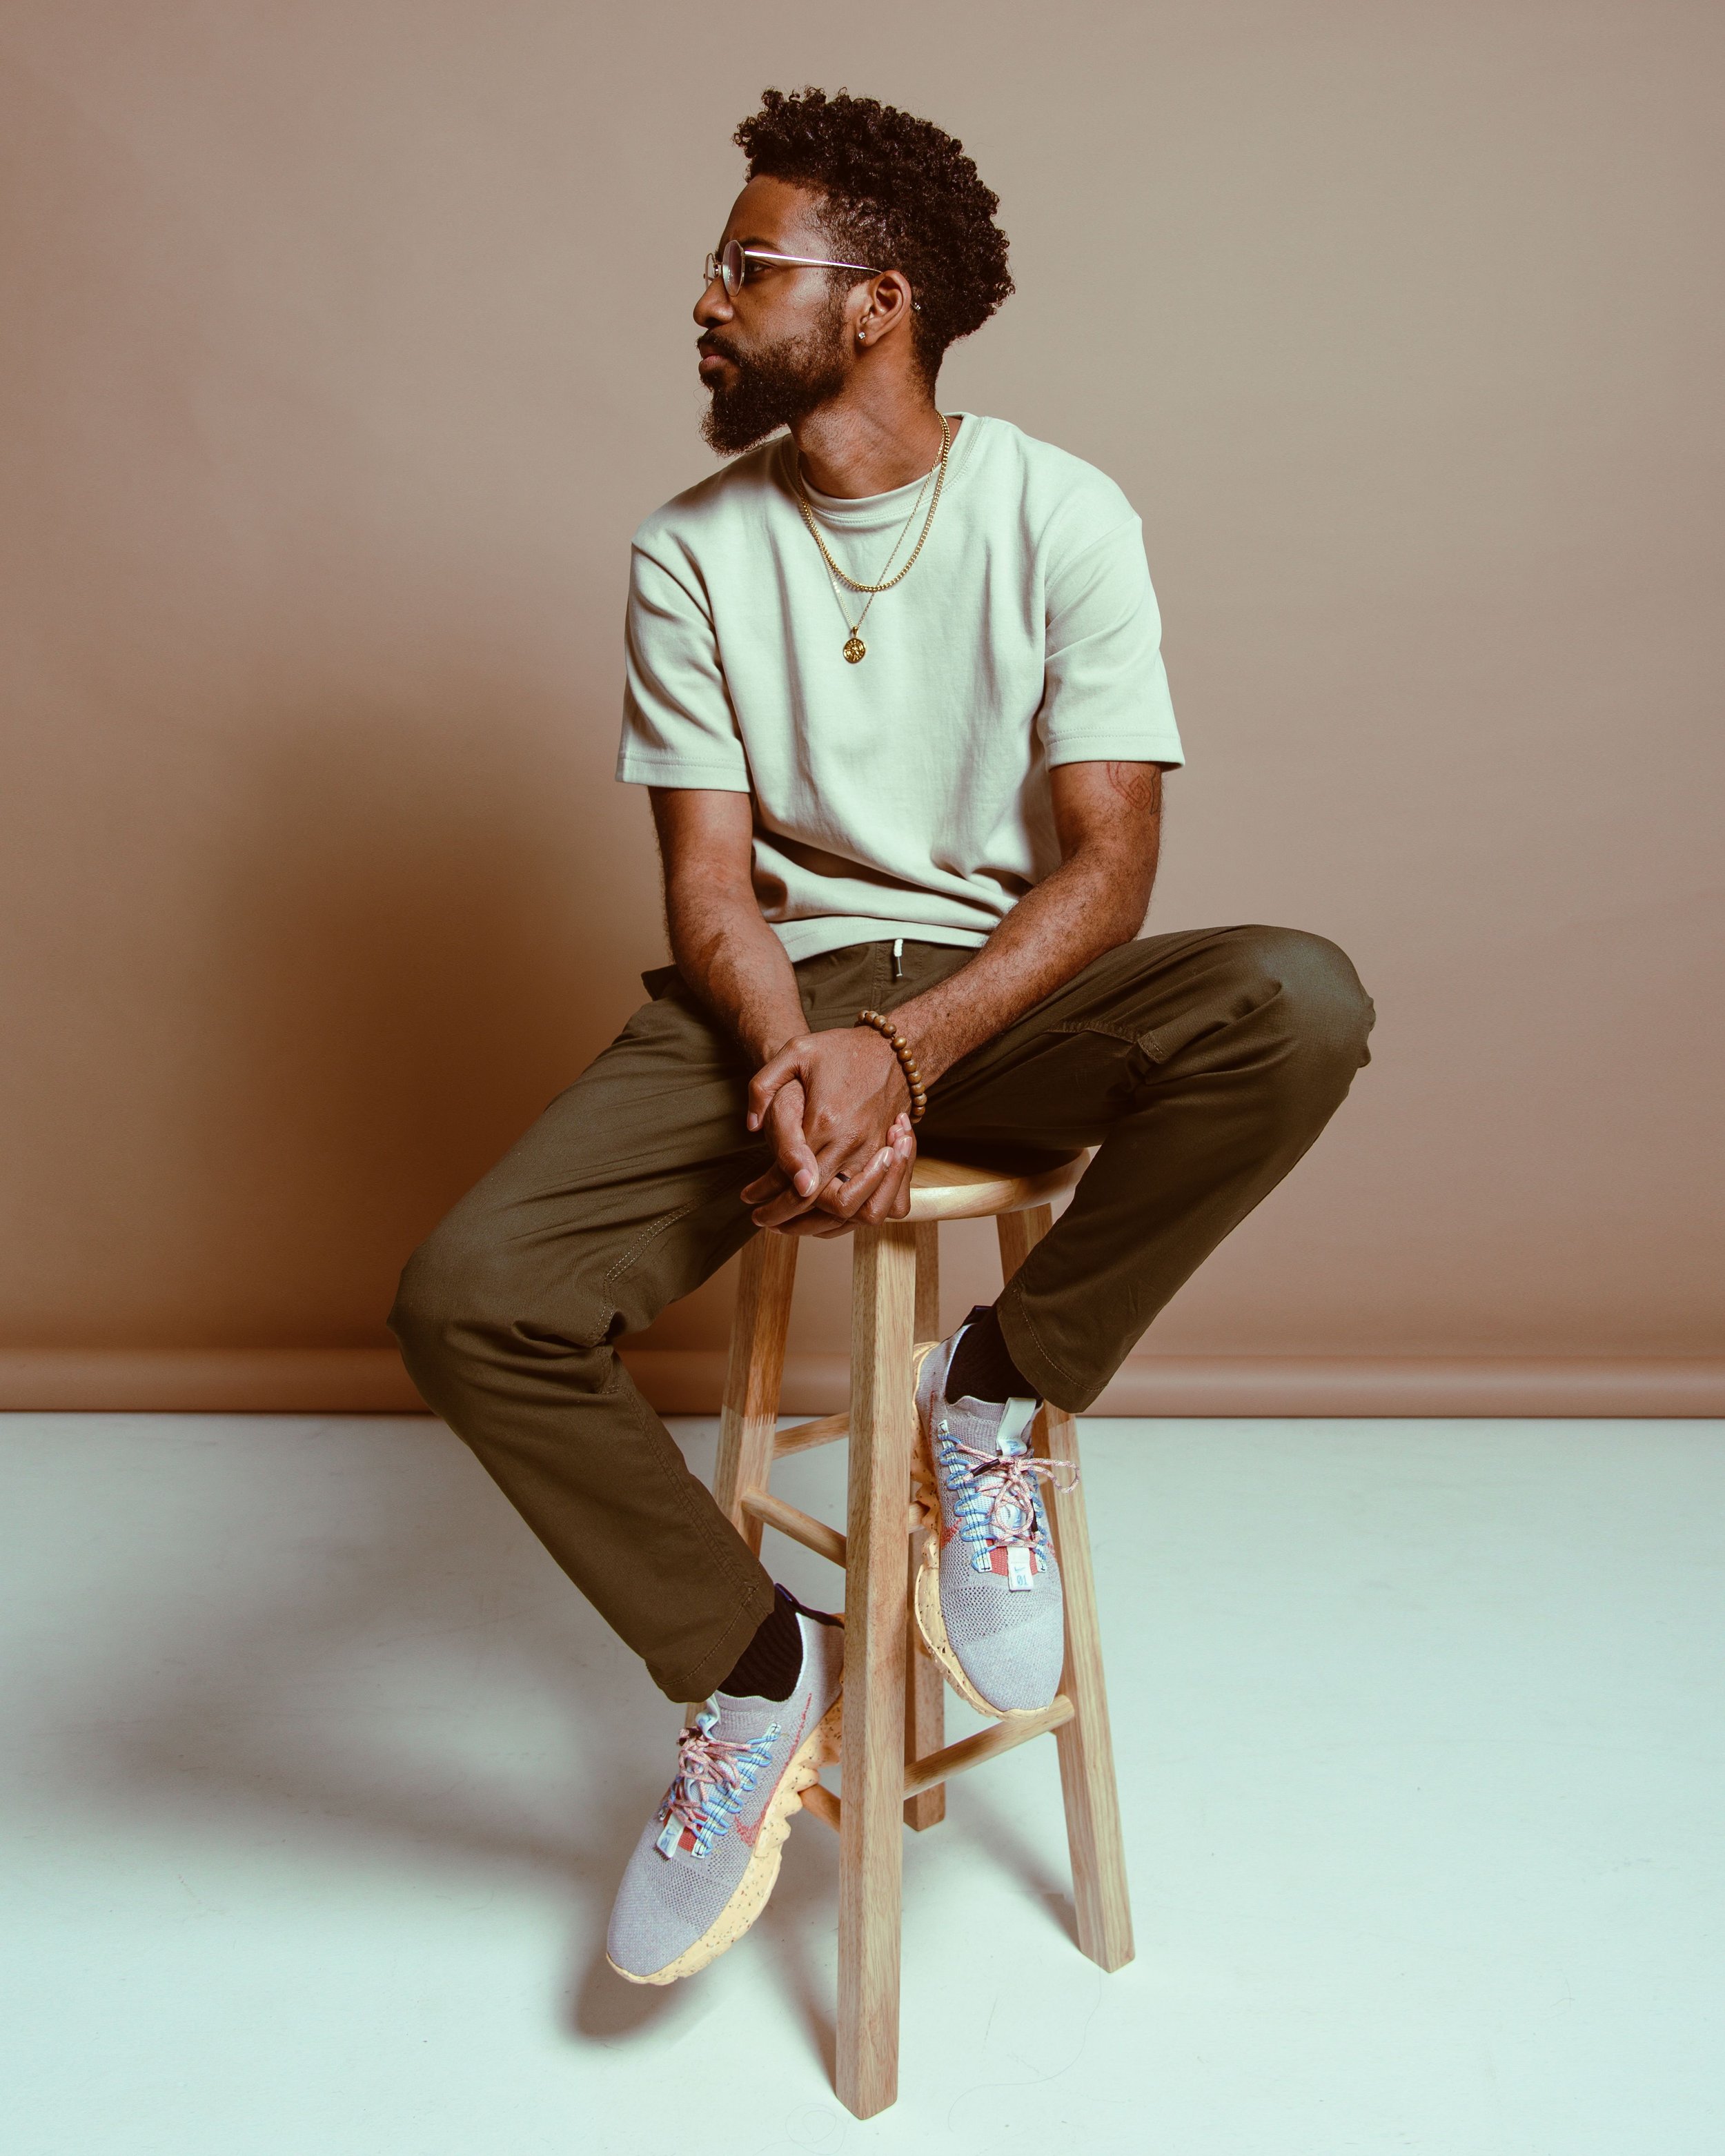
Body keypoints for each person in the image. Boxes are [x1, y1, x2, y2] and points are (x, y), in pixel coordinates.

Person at [390, 86, 1374, 1989]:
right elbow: (705, 891)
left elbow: (1109, 868)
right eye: (717, 260)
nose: (706, 294)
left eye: (748, 264)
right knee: (466, 1295)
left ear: (876, 304)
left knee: (1298, 1000)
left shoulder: (1058, 511)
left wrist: (904, 1056)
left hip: (1000, 994)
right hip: (761, 1007)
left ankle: (996, 1392)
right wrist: (792, 1057)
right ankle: (756, 1674)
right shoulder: (687, 550)